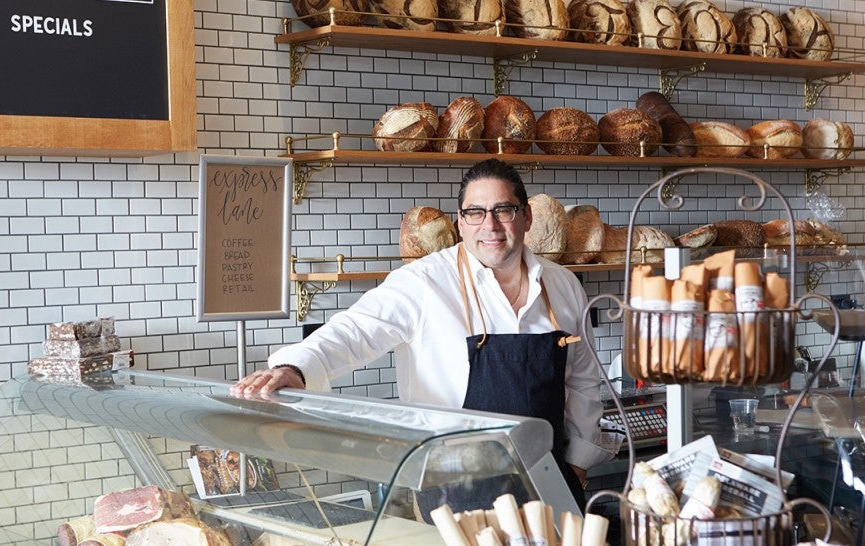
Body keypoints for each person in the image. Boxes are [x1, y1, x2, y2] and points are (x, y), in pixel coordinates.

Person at [232, 158, 614, 509]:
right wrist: (294, 368)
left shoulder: (563, 286)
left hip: (546, 484)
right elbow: (354, 330)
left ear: (526, 217)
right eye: (476, 213)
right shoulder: (424, 282)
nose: (491, 226)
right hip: (454, 492)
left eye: (504, 210)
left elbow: (582, 381)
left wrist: (578, 463)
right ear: (460, 222)